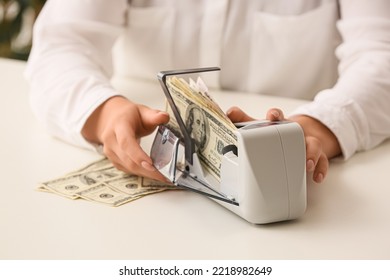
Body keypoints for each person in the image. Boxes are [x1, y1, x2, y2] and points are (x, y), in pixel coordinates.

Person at [25, 0, 390, 184]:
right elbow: (61, 43)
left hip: (312, 184)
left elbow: (381, 54)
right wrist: (103, 112)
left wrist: (315, 128)